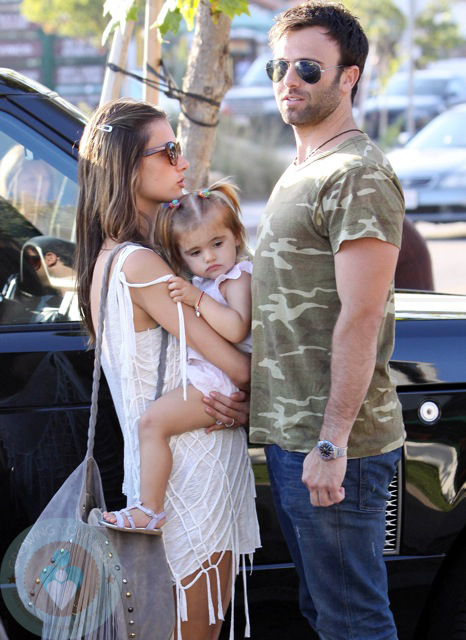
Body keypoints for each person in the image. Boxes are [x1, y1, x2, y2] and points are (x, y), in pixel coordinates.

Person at [75, 98, 260, 640]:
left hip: (164, 469)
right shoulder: (143, 265)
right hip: (190, 476)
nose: (182, 163)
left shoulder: (110, 257)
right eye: (169, 150)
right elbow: (236, 367)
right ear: (130, 168)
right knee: (194, 629)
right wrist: (248, 396)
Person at [248, 2, 405, 639]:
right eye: (278, 66)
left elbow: (362, 316)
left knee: (353, 622)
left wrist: (332, 445)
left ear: (349, 77)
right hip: (292, 438)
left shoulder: (358, 175)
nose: (290, 79)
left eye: (308, 68)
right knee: (321, 612)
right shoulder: (304, 169)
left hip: (337, 447)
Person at [100, 181, 253, 532]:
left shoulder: (237, 278)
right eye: (195, 253)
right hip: (210, 375)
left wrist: (196, 300)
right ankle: (148, 506)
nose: (210, 258)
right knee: (151, 425)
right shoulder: (209, 281)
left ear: (237, 237)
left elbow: (237, 328)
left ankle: (149, 510)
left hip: (220, 382)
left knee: (152, 423)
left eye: (217, 244)